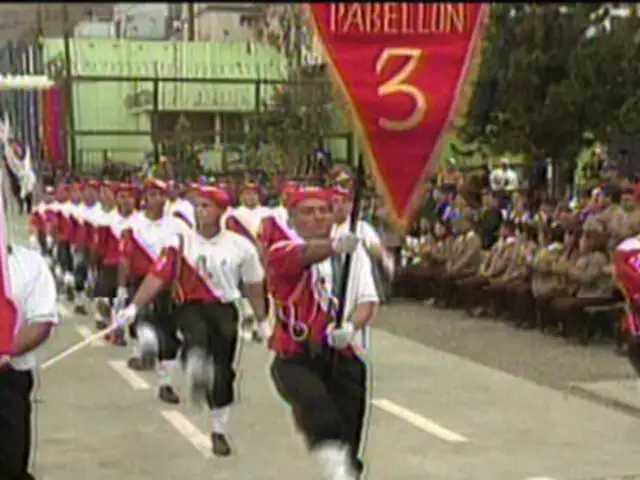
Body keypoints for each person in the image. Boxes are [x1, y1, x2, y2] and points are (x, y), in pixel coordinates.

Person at [114, 185, 270, 457]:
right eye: (198, 205)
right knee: (195, 336)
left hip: (225, 309)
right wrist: (133, 305)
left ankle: (219, 428)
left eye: (207, 206)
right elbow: (158, 275)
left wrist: (261, 320)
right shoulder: (180, 241)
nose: (200, 211)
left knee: (223, 372)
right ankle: (194, 366)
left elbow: (255, 285)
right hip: (190, 306)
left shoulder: (240, 246)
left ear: (222, 211)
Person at [266, 187, 379, 480]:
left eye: (323, 210)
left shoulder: (355, 254)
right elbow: (305, 254)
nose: (317, 217)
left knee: (348, 446)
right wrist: (335, 247)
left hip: (343, 354)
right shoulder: (282, 250)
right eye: (307, 211)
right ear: (291, 220)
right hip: (296, 357)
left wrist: (351, 326)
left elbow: (367, 300)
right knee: (321, 418)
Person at [0, 244, 59, 479]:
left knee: (10, 467)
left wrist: (5, 351)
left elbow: (41, 322)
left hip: (8, 381)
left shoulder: (29, 264)